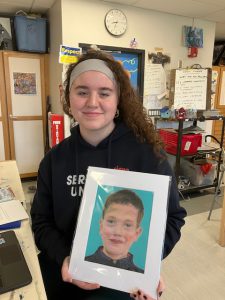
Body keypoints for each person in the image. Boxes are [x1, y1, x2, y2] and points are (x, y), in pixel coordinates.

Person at [31, 49, 187, 300]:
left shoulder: (147, 156)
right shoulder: (53, 160)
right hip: (66, 269)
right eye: (82, 92)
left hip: (124, 277)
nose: (92, 102)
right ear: (68, 97)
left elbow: (173, 219)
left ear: (118, 100)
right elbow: (41, 222)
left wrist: (148, 263)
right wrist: (65, 258)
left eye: (104, 93)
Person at [85, 189, 144, 273]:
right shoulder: (81, 266)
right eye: (111, 221)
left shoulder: (143, 278)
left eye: (127, 225)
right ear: (101, 226)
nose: (117, 232)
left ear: (137, 234)